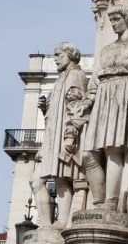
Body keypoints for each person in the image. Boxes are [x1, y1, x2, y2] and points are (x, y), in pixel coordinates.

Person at [79, 4, 128, 217]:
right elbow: (94, 80)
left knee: (113, 149)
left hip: (124, 93)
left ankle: (110, 204)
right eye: (111, 20)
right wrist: (87, 102)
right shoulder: (106, 49)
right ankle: (98, 202)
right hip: (103, 96)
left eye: (116, 19)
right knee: (88, 154)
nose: (113, 23)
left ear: (127, 19)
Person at [31, 41, 87, 228]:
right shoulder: (61, 78)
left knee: (62, 179)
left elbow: (76, 106)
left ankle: (62, 221)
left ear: (70, 55)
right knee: (39, 180)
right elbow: (56, 112)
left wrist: (70, 135)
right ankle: (47, 224)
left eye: (59, 55)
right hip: (52, 137)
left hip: (63, 136)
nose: (55, 59)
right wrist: (45, 109)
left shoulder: (76, 75)